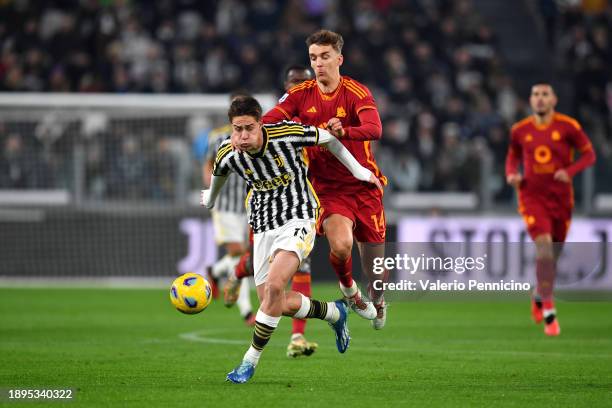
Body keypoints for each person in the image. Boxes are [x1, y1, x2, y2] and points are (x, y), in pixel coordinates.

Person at [201, 96, 382, 383]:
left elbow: (329, 140)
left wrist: (359, 171)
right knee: (274, 302)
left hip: (298, 218)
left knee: (274, 286)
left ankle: (248, 362)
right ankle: (334, 313)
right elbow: (218, 173)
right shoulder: (229, 152)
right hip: (262, 227)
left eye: (249, 128)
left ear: (261, 124)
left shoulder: (286, 134)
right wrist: (210, 198)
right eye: (237, 129)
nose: (243, 136)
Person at [260, 29, 389, 329]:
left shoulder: (356, 92)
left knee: (378, 274)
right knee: (341, 245)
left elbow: (375, 128)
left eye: (325, 57)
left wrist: (345, 131)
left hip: (364, 187)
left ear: (339, 59)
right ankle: (348, 290)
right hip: (328, 190)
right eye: (313, 58)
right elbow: (273, 117)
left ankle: (378, 299)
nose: (318, 63)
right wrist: (254, 130)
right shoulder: (300, 94)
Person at [224, 65, 319, 357]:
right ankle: (236, 274)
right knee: (259, 263)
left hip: (302, 199)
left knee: (300, 265)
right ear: (286, 85)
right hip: (264, 205)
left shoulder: (318, 112)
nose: (298, 87)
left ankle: (297, 337)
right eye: (293, 82)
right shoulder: (277, 115)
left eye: (304, 82)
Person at [505, 83, 596, 336]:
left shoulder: (568, 127)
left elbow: (589, 155)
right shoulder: (520, 130)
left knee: (552, 256)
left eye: (545, 95)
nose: (540, 99)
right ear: (531, 100)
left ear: (554, 99)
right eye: (536, 94)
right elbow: (512, 157)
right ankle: (549, 310)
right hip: (532, 196)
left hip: (561, 199)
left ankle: (539, 293)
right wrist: (512, 174)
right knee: (544, 245)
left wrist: (570, 171)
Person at [203, 96, 255, 326]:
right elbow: (208, 164)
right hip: (225, 205)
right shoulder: (217, 136)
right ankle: (246, 311)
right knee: (240, 255)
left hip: (247, 204)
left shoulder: (255, 134)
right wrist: (211, 190)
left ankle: (214, 271)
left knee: (245, 257)